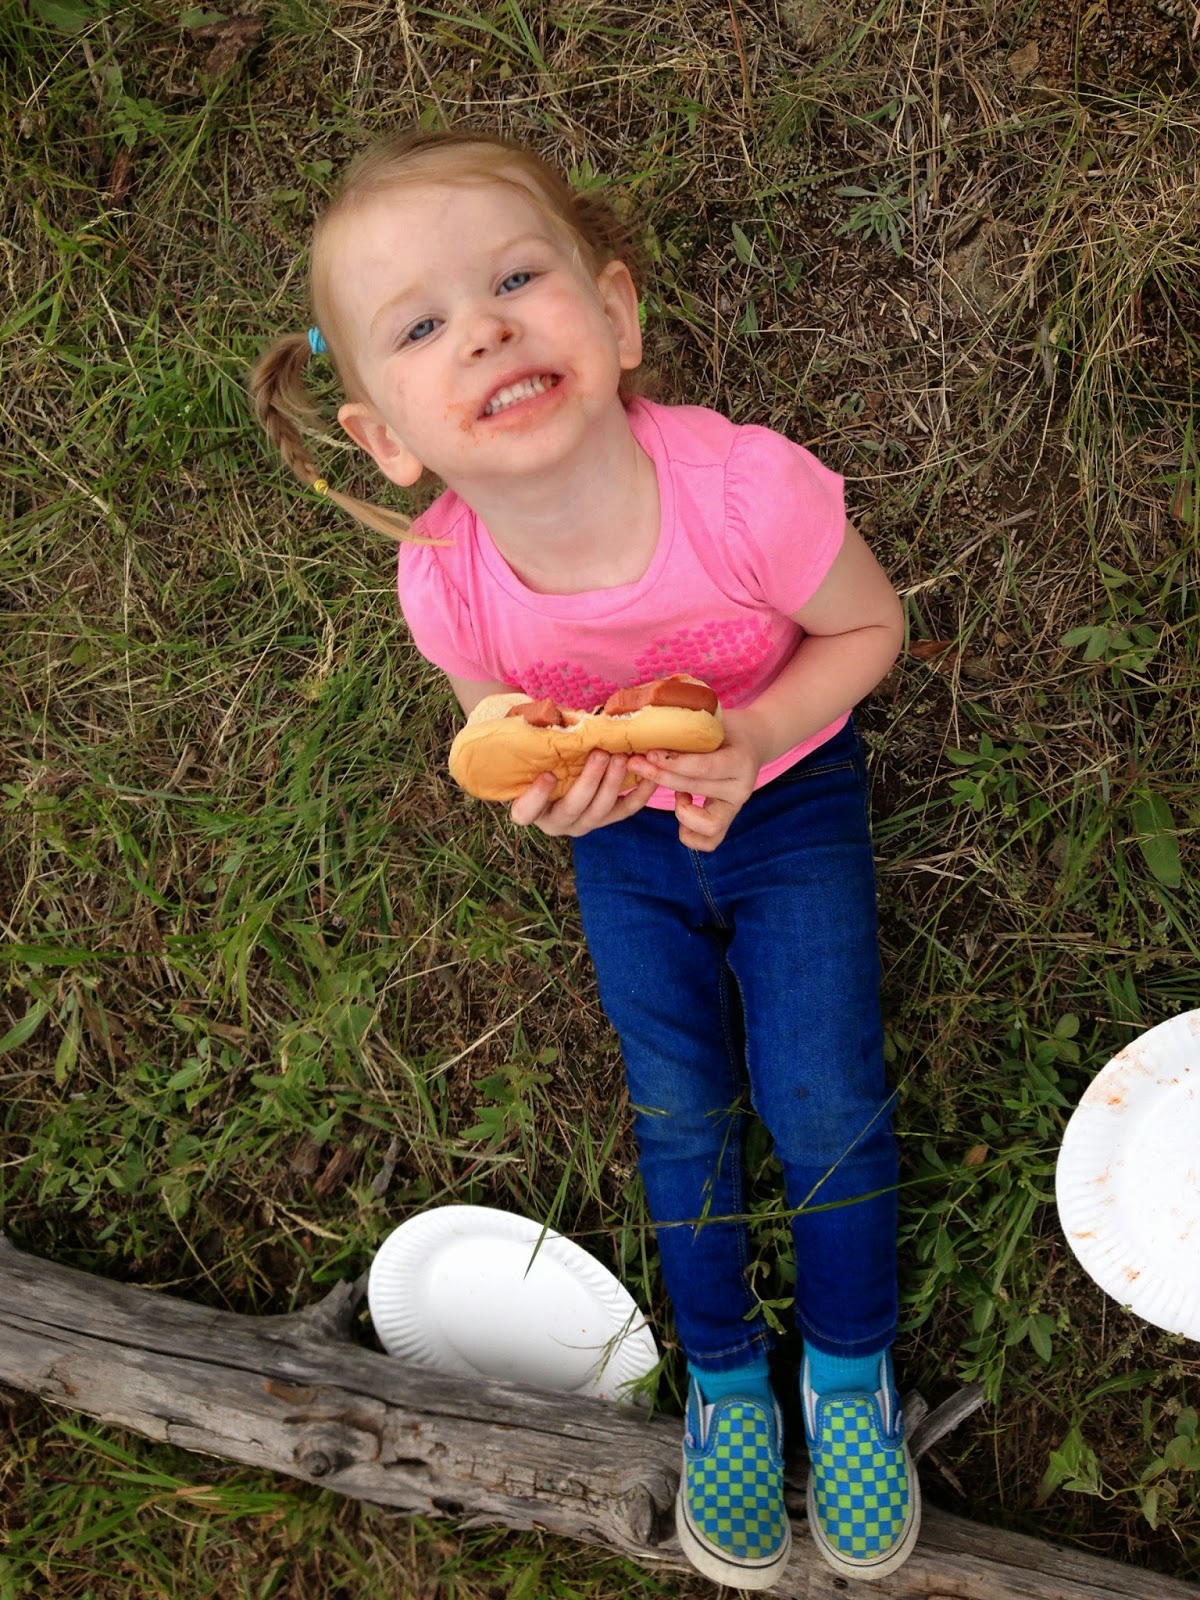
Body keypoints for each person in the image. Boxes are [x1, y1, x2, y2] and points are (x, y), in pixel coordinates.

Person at [251, 128, 917, 1589]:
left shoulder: (745, 495)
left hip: (789, 794)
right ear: (388, 435)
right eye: (421, 328)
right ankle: (728, 1376)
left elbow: (874, 629)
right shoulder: (447, 582)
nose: (484, 329)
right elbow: (508, 742)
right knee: (679, 1108)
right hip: (623, 841)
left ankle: (849, 1367)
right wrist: (553, 806)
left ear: (613, 317)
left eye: (515, 281)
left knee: (823, 1098)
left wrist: (755, 734)